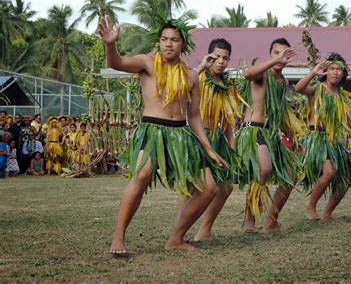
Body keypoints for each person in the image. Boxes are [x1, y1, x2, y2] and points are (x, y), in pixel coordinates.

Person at [99, 14, 228, 254]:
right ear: (159, 42)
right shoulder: (146, 63)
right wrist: (110, 45)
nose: (168, 43)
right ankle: (118, 237)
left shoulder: (191, 75)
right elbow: (116, 63)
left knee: (209, 188)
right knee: (141, 176)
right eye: (164, 39)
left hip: (181, 134)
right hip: (153, 130)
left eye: (175, 40)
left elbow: (196, 116)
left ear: (183, 44)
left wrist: (209, 148)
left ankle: (176, 238)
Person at [236, 38, 300, 233]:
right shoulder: (262, 74)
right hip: (253, 129)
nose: (280, 57)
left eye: (284, 53)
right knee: (264, 170)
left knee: (291, 174)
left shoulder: (283, 82)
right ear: (270, 55)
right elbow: (248, 74)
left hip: (272, 133)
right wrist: (274, 61)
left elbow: (280, 113)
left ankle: (271, 220)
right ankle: (249, 219)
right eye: (276, 53)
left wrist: (292, 137)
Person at [188, 38, 244, 241]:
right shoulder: (198, 77)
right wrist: (201, 67)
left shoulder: (228, 85)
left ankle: (204, 230)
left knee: (226, 186)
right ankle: (180, 231)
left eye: (225, 58)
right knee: (192, 188)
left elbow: (228, 121)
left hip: (217, 139)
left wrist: (231, 147)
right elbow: (184, 87)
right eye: (217, 57)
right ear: (208, 56)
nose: (221, 61)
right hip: (196, 135)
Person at [295, 53, 351, 221]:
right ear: (326, 71)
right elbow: (299, 89)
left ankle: (327, 214)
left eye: (339, 69)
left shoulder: (341, 96)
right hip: (315, 138)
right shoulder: (319, 87)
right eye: (332, 69)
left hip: (332, 141)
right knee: (329, 172)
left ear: (344, 73)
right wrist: (313, 73)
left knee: (346, 178)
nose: (335, 72)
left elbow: (348, 119)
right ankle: (310, 207)